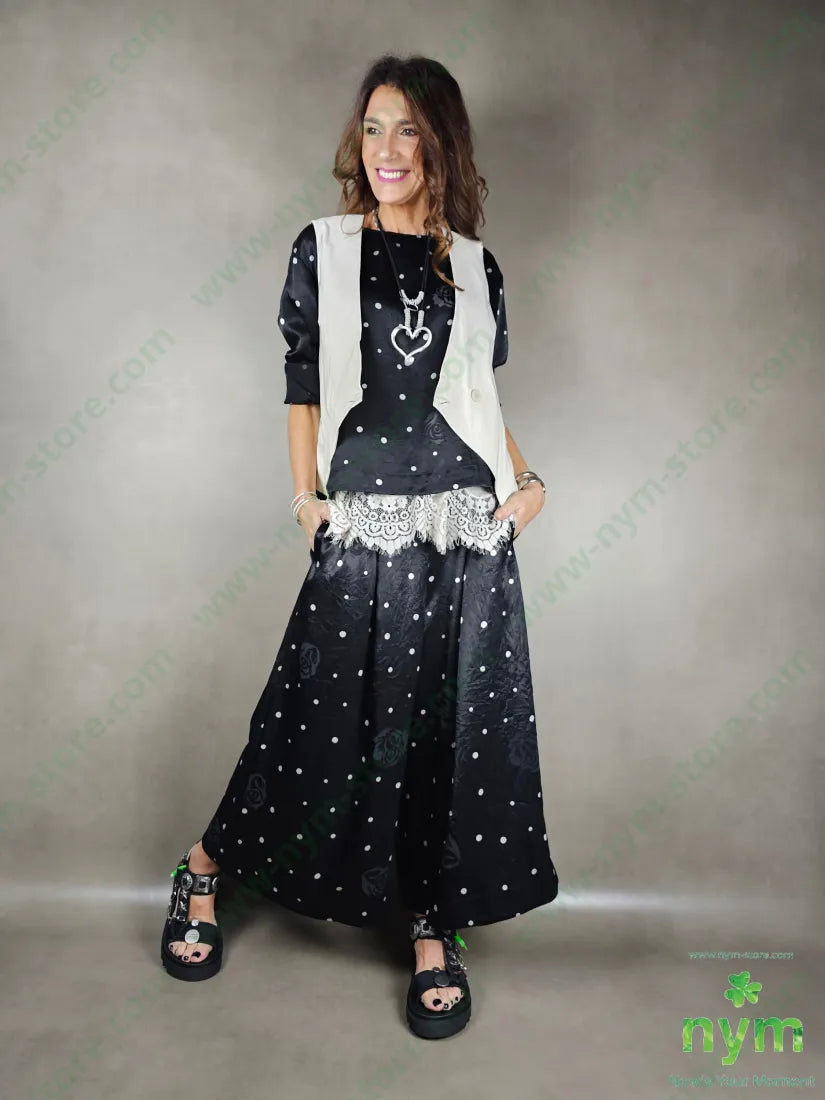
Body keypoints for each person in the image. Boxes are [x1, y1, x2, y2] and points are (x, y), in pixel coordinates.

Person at [160, 52, 559, 1040]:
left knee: (446, 731)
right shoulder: (325, 250)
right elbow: (302, 380)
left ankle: (432, 925)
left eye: (408, 129)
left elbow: (477, 399)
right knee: (309, 718)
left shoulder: (475, 266)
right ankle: (203, 868)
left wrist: (527, 484)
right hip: (363, 519)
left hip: (465, 527)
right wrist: (306, 498)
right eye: (374, 127)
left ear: (440, 144)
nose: (387, 149)